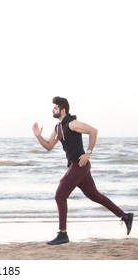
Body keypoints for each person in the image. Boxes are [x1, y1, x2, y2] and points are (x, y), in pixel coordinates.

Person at [32, 96, 134, 245]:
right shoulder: (57, 127)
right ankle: (125, 216)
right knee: (95, 195)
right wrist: (38, 136)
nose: (52, 110)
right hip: (77, 166)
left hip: (79, 165)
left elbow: (93, 131)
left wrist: (88, 153)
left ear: (63, 109)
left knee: (60, 194)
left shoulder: (72, 123)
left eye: (55, 108)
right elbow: (48, 146)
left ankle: (63, 233)